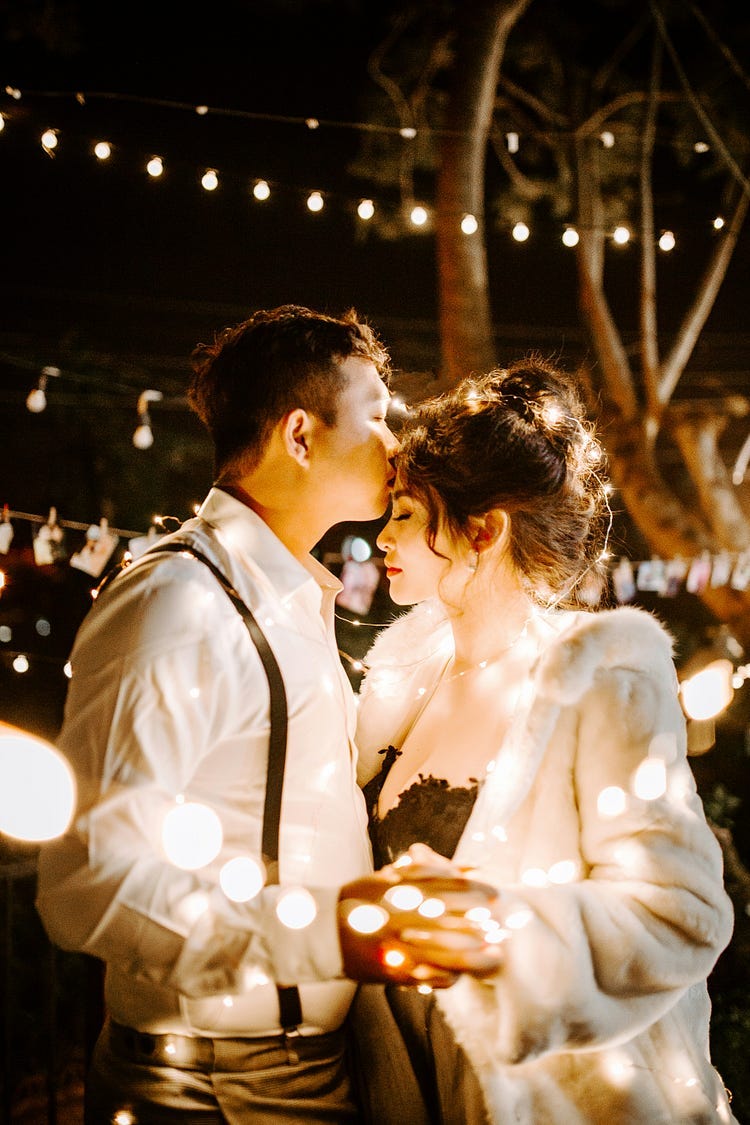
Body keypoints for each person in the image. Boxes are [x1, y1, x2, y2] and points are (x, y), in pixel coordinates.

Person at [35, 304, 500, 1125]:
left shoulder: (295, 600)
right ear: (298, 435)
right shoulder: (176, 603)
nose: (398, 446)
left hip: (306, 1065)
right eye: (376, 417)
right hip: (211, 1086)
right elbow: (88, 884)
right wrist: (331, 932)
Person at [353, 357, 738, 1124]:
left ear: (483, 528)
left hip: (563, 1100)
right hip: (408, 1087)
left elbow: (685, 910)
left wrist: (502, 935)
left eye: (404, 512)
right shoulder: (400, 676)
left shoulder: (600, 678)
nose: (381, 532)